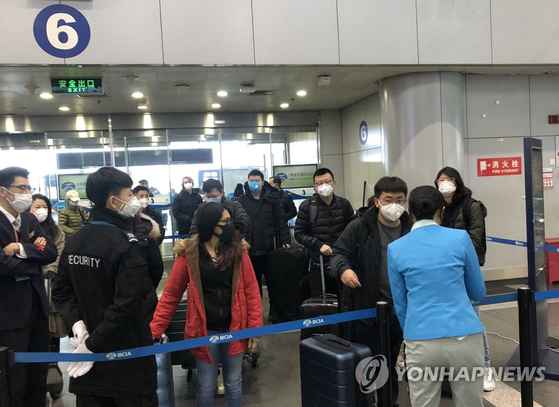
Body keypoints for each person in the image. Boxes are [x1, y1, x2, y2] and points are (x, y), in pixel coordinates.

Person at [52, 167, 158, 406]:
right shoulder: (125, 244)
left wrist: (77, 324)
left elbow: (61, 290)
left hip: (88, 369)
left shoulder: (77, 239)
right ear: (114, 201)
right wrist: (93, 345)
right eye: (130, 194)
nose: (134, 200)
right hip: (128, 365)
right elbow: (128, 304)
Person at [150, 202, 263, 407]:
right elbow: (171, 295)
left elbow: (252, 292)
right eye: (226, 221)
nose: (231, 225)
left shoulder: (238, 251)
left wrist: (254, 329)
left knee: (233, 382)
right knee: (206, 385)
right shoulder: (189, 254)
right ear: (211, 224)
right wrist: (155, 330)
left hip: (235, 328)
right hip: (202, 330)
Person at [388, 185, 486, 407]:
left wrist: (413, 332)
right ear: (441, 210)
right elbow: (479, 291)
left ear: (410, 213)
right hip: (464, 335)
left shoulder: (395, 249)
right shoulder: (461, 238)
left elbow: (400, 304)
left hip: (420, 338)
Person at [330, 176, 411, 407]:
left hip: (400, 311)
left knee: (391, 360)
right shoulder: (360, 227)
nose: (394, 205)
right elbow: (338, 254)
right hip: (366, 310)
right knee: (367, 363)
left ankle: (389, 402)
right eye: (388, 199)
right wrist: (344, 270)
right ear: (377, 201)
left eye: (399, 200)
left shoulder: (411, 229)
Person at [0, 166, 57, 407]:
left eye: (29, 188)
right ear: (3, 191)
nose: (27, 193)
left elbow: (50, 252)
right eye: (21, 188)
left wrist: (19, 249)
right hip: (8, 313)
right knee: (14, 380)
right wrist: (33, 261)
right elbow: (1, 264)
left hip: (36, 307)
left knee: (37, 376)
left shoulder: (30, 218)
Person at [435, 166, 494, 391]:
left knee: (473, 318)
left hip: (466, 269)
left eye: (448, 179)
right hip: (443, 270)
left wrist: (449, 249)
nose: (444, 183)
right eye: (440, 180)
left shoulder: (471, 206)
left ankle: (486, 366)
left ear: (457, 182)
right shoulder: (438, 208)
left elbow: (476, 241)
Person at [294, 168, 355, 297]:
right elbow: (299, 233)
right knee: (321, 300)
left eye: (328, 181)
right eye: (320, 183)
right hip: (318, 262)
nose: (324, 186)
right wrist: (318, 245)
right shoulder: (307, 206)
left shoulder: (344, 204)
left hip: (342, 261)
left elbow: (353, 231)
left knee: (344, 297)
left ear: (334, 183)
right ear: (314, 187)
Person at [237, 170, 291, 296]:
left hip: (269, 248)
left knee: (274, 283)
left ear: (262, 182)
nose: (254, 183)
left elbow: (281, 221)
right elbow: (238, 224)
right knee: (252, 285)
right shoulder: (242, 201)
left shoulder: (272, 200)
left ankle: (275, 312)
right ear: (247, 182)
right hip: (249, 248)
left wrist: (286, 240)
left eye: (257, 180)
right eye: (251, 180)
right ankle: (255, 313)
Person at [29, 194, 66, 342]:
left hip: (51, 279)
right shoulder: (25, 228)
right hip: (31, 279)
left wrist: (52, 268)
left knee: (54, 321)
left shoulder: (55, 230)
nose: (41, 210)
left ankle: (53, 360)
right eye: (37, 207)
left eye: (44, 207)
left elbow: (59, 251)